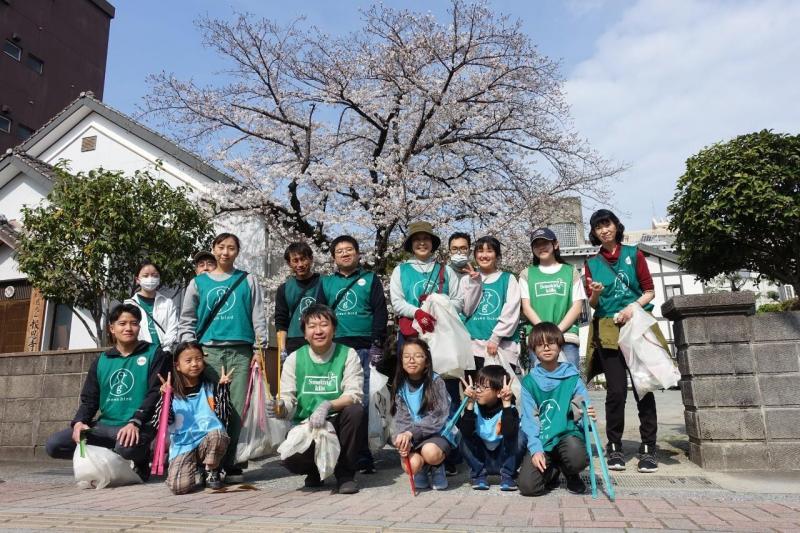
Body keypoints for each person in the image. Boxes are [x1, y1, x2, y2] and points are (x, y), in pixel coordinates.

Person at [178, 232, 268, 483]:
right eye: (221, 247)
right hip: (208, 352)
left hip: (241, 351)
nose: (225, 252)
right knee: (210, 407)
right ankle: (208, 462)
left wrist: (260, 350)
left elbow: (258, 315)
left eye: (231, 248)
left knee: (237, 409)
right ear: (214, 249)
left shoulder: (247, 280)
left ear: (237, 252)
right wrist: (190, 349)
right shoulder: (199, 283)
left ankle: (226, 463)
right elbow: (188, 318)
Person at [45, 303, 169, 480]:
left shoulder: (154, 353)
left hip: (139, 425)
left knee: (127, 448)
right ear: (112, 328)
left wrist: (136, 421)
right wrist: (79, 422)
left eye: (134, 323)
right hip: (105, 426)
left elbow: (155, 393)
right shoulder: (102, 360)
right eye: (122, 323)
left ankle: (142, 459)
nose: (128, 328)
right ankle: (109, 454)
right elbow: (90, 400)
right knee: (55, 445)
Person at [584, 209, 666, 473]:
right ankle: (615, 446)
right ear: (594, 233)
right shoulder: (592, 263)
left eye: (606, 224)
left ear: (616, 226)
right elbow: (593, 303)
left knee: (644, 386)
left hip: (636, 325)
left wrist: (632, 307)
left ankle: (648, 447)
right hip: (608, 328)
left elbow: (649, 290)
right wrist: (594, 294)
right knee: (615, 391)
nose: (604, 230)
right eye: (598, 227)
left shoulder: (634, 254)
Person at [389, 220, 465, 475]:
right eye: (417, 239)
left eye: (427, 238)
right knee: (412, 391)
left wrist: (437, 307)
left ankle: (445, 451)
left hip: (442, 337)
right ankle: (417, 446)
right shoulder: (401, 270)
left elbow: (459, 300)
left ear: (433, 243)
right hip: (413, 337)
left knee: (448, 391)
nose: (422, 242)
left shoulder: (446, 271)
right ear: (410, 244)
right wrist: (418, 312)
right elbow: (397, 301)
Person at [268, 304, 364, 494]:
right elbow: (288, 397)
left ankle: (345, 474)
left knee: (356, 411)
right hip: (307, 425)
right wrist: (281, 407)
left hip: (338, 422)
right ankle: (314, 471)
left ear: (334, 329)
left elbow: (355, 394)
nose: (318, 331)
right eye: (312, 326)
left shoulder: (348, 354)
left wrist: (327, 405)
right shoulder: (294, 359)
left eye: (324, 325)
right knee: (290, 457)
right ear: (304, 333)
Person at [316, 235, 388, 474]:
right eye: (339, 251)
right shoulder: (326, 283)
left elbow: (380, 311)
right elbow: (319, 315)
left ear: (358, 254)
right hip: (334, 349)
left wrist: (377, 342)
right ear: (334, 257)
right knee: (336, 398)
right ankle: (336, 451)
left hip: (364, 348)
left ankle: (362, 455)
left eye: (349, 250)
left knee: (362, 401)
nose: (345, 254)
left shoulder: (369, 279)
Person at [518, 322, 595, 497]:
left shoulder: (573, 377)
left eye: (551, 342)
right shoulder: (529, 382)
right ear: (533, 349)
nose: (546, 347)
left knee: (577, 458)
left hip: (567, 436)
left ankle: (571, 473)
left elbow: (583, 410)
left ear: (560, 345)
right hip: (543, 440)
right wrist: (536, 450)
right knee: (528, 487)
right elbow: (530, 421)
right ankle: (553, 470)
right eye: (540, 344)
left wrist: (588, 416)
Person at [154, 341, 232, 494]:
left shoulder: (210, 387)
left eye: (198, 359)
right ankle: (193, 468)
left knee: (218, 434)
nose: (195, 364)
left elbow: (224, 417)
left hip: (208, 439)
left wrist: (223, 389)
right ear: (177, 365)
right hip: (183, 444)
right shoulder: (171, 391)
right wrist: (166, 397)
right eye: (188, 361)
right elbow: (161, 422)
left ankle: (211, 471)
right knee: (179, 488)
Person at [519, 228, 586, 369]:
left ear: (555, 244)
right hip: (538, 337)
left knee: (570, 381)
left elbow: (577, 306)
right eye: (536, 244)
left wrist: (557, 331)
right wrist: (545, 333)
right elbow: (526, 307)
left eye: (545, 242)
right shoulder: (527, 274)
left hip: (567, 337)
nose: (541, 247)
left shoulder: (571, 272)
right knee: (542, 384)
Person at [391, 338, 451, 491]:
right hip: (413, 435)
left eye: (418, 355)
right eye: (406, 356)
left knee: (430, 453)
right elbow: (400, 419)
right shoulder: (400, 385)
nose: (411, 360)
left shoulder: (436, 382)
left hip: (436, 434)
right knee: (411, 465)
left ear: (427, 360)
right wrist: (402, 440)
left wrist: (411, 433)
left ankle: (437, 466)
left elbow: (438, 417)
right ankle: (422, 469)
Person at [461, 236, 521, 371]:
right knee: (474, 390)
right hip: (472, 346)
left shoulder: (508, 279)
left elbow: (511, 311)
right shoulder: (466, 280)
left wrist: (495, 338)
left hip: (501, 346)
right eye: (480, 251)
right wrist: (474, 283)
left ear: (497, 255)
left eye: (489, 251)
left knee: (500, 390)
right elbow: (467, 310)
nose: (484, 255)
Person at [458, 365, 521, 491]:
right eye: (477, 386)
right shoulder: (474, 408)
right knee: (462, 435)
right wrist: (469, 403)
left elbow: (509, 433)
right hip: (482, 458)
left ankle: (508, 475)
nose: (478, 390)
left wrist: (507, 404)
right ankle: (479, 475)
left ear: (499, 392)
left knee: (521, 435)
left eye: (484, 387)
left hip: (502, 457)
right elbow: (465, 432)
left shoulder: (510, 409)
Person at [275, 242, 320, 360]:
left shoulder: (324, 283)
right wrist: (282, 349)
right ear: (289, 263)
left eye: (303, 259)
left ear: (311, 259)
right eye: (295, 260)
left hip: (319, 339)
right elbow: (281, 321)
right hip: (294, 341)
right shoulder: (284, 288)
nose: (300, 264)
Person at [124, 260, 179, 352]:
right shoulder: (129, 304)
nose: (150, 279)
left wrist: (164, 350)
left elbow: (173, 328)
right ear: (137, 280)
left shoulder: (168, 303)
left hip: (165, 353)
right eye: (145, 276)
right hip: (139, 353)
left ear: (159, 279)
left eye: (155, 275)